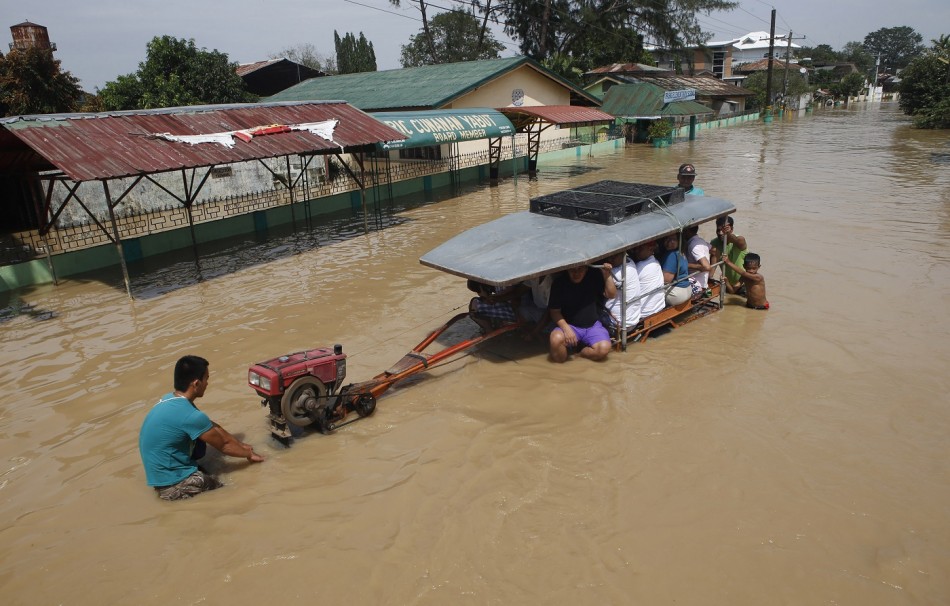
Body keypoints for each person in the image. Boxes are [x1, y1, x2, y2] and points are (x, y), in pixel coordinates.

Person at [139, 355, 265, 501]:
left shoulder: (171, 400)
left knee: (203, 445)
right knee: (230, 494)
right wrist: (249, 455)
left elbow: (212, 427)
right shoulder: (189, 416)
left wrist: (242, 446)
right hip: (171, 486)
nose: (208, 383)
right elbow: (224, 445)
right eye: (206, 378)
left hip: (160, 476)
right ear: (196, 384)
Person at [548, 263, 616, 363]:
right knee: (555, 339)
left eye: (580, 269)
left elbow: (611, 294)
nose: (576, 273)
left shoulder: (594, 275)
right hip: (571, 326)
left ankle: (579, 355)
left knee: (604, 349)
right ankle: (562, 365)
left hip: (593, 325)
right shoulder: (559, 283)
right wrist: (566, 329)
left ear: (586, 268)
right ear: (567, 269)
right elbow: (554, 311)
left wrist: (607, 275)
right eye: (573, 270)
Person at [603, 252, 641, 334]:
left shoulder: (617, 273)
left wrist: (605, 273)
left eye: (615, 255)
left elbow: (608, 294)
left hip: (618, 323)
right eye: (609, 256)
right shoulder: (630, 261)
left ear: (622, 254)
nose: (610, 259)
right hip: (634, 320)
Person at [710, 216, 748, 293]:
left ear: (732, 229)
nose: (720, 233)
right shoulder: (715, 243)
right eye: (718, 230)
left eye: (723, 230)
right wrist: (709, 278)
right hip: (727, 284)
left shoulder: (740, 240)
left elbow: (737, 240)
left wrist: (728, 234)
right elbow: (714, 262)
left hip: (742, 284)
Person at [633, 241, 665, 316]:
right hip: (659, 307)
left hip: (644, 312)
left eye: (640, 248)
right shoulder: (656, 262)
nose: (636, 251)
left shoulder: (639, 267)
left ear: (650, 249)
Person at [658, 233, 691, 306]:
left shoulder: (671, 255)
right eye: (667, 239)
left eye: (673, 239)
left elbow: (666, 280)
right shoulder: (680, 252)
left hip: (677, 294)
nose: (669, 242)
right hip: (687, 289)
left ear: (679, 241)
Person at [683, 225, 712, 296]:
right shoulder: (700, 241)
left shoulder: (694, 246)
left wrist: (684, 264)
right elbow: (715, 251)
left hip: (696, 283)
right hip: (702, 281)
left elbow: (706, 267)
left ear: (687, 231)